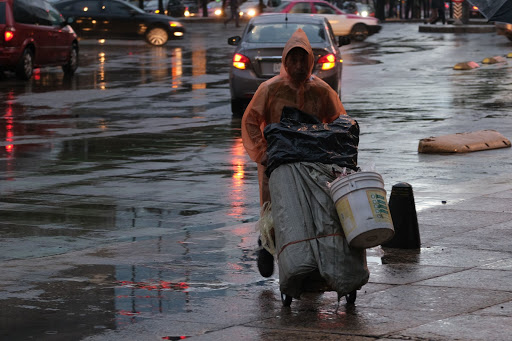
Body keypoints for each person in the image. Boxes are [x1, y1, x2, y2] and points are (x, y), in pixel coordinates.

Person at [241, 28, 347, 277]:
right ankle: (266, 246)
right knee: (274, 207)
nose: (299, 66)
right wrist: (263, 153)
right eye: (293, 59)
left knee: (311, 208)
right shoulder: (270, 89)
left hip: (312, 161)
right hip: (275, 162)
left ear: (311, 61)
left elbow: (339, 121)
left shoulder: (321, 90)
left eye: (303, 59)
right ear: (285, 60)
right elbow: (250, 121)